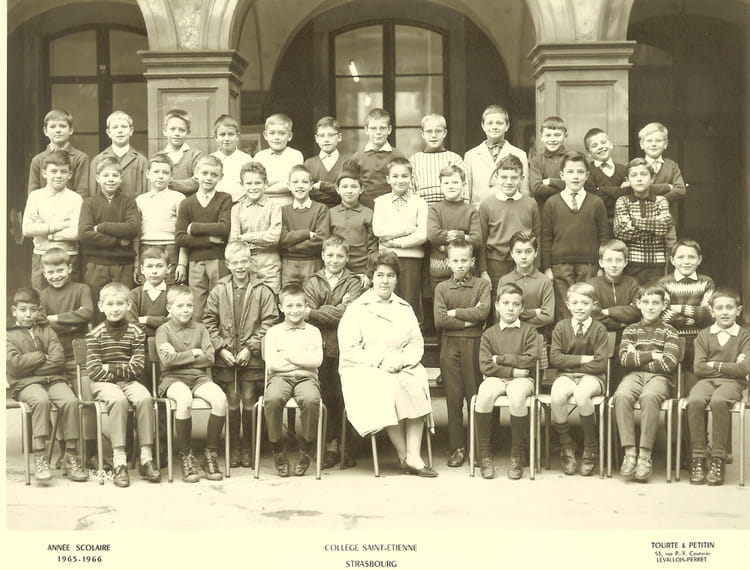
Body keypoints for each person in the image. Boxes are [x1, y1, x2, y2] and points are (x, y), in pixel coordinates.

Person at [338, 251, 437, 477]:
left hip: (400, 364)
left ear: (397, 279)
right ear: (371, 277)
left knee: (414, 384)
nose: (385, 281)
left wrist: (403, 361)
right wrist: (380, 361)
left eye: (390, 276)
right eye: (380, 275)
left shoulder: (404, 308)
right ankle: (403, 454)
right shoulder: (357, 308)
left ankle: (413, 455)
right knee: (389, 388)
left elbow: (416, 343)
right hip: (365, 368)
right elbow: (350, 349)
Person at [203, 241, 279, 468]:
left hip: (251, 357)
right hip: (226, 358)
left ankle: (249, 446)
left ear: (250, 262)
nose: (240, 266)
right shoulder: (219, 290)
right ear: (227, 264)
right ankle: (234, 446)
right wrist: (220, 348)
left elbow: (270, 321)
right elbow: (208, 321)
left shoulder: (262, 290)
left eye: (244, 261)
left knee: (248, 397)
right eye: (235, 262)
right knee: (232, 398)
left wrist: (250, 347)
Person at [7, 287, 88, 484]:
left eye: (33, 309)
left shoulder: (47, 330)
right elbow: (14, 366)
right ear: (14, 311)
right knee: (41, 400)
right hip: (25, 385)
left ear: (39, 310)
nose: (28, 314)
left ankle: (70, 456)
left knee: (71, 401)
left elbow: (58, 359)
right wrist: (40, 356)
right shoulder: (8, 335)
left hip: (53, 379)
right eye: (23, 309)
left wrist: (32, 367)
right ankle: (40, 457)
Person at [86, 282, 159, 487]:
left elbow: (137, 367)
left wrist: (110, 367)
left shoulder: (136, 332)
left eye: (120, 304)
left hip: (129, 381)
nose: (115, 308)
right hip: (102, 384)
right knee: (118, 400)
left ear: (128, 305)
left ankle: (146, 458)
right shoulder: (95, 334)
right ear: (101, 306)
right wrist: (121, 368)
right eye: (110, 304)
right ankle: (120, 462)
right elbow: (94, 370)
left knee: (145, 398)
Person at [155, 286, 229, 483]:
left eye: (189, 305)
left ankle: (210, 453)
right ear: (169, 308)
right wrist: (193, 353)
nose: (186, 310)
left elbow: (210, 358)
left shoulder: (201, 329)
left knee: (220, 400)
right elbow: (167, 362)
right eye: (180, 306)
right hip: (173, 378)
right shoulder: (163, 330)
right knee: (184, 400)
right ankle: (186, 456)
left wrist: (178, 356)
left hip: (199, 378)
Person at [302, 234, 364, 468]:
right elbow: (306, 313)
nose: (334, 260)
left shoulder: (354, 282)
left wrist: (317, 311)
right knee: (327, 396)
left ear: (347, 258)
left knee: (345, 396)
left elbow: (349, 313)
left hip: (345, 348)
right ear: (322, 256)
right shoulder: (312, 281)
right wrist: (335, 308)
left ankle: (347, 445)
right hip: (320, 347)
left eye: (339, 256)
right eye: (330, 255)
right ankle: (330, 445)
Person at [613, 284, 679, 482]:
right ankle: (629, 453)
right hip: (633, 376)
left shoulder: (670, 331)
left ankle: (645, 456)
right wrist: (652, 355)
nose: (650, 307)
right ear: (638, 304)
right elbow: (624, 360)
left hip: (659, 378)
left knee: (649, 397)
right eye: (646, 302)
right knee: (621, 395)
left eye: (655, 303)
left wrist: (638, 356)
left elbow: (668, 363)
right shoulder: (630, 330)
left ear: (663, 305)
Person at [433, 239, 491, 467]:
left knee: (474, 396)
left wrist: (455, 313)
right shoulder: (441, 288)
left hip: (474, 346)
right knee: (454, 398)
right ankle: (457, 447)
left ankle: (478, 448)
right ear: (448, 262)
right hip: (449, 346)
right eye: (455, 260)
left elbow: (483, 313)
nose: (460, 265)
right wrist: (469, 321)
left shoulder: (481, 286)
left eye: (464, 260)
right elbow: (440, 319)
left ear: (472, 261)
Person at [38, 247, 96, 468]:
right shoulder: (43, 295)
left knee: (87, 397)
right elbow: (41, 322)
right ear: (44, 273)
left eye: (60, 270)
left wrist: (55, 318)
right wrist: (72, 323)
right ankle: (65, 450)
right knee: (59, 402)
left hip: (79, 349)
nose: (56, 276)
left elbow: (87, 313)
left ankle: (90, 451)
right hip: (54, 352)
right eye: (51, 272)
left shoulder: (81, 289)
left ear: (69, 268)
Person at [686, 288, 750, 486]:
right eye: (719, 308)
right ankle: (698, 456)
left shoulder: (745, 336)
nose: (724, 312)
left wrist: (714, 364)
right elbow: (699, 368)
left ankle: (718, 458)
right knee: (695, 400)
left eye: (729, 308)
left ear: (738, 311)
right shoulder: (704, 335)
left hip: (733, 384)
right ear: (712, 311)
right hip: (705, 382)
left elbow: (744, 369)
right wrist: (731, 367)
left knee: (719, 400)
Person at [474, 283, 538, 480]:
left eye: (516, 304)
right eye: (506, 303)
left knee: (517, 396)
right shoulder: (489, 334)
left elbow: (529, 359)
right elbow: (485, 365)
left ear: (522, 308)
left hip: (523, 379)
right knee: (484, 394)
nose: (510, 308)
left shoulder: (529, 331)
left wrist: (500, 359)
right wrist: (512, 370)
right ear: (497, 305)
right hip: (498, 377)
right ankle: (484, 455)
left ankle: (517, 455)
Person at [549, 282, 609, 476]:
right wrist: (583, 359)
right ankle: (566, 445)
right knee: (557, 395)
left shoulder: (599, 329)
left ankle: (590, 447)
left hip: (593, 377)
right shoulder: (561, 327)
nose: (580, 307)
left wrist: (569, 362)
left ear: (594, 305)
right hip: (566, 375)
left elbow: (600, 363)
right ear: (568, 305)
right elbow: (555, 358)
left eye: (585, 303)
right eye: (575, 303)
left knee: (582, 395)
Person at [263, 285, 324, 477]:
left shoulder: (313, 332)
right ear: (281, 307)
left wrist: (288, 356)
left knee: (311, 399)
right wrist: (302, 361)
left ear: (306, 306)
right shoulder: (273, 332)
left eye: (299, 305)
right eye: (289, 306)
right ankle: (277, 449)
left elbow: (317, 361)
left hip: (307, 378)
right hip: (279, 377)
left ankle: (306, 449)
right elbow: (272, 363)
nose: (295, 310)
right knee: (272, 398)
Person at [541, 150, 608, 322]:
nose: (575, 176)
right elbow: (546, 237)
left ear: (587, 175)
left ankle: (586, 338)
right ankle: (565, 338)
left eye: (580, 172)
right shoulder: (552, 203)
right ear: (562, 175)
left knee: (586, 305)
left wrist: (602, 265)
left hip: (589, 264)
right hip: (560, 265)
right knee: (565, 308)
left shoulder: (596, 202)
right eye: (570, 172)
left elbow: (603, 237)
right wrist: (547, 268)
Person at [78, 156, 140, 318]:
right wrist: (117, 241)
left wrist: (102, 227)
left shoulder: (129, 202)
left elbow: (132, 228)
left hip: (123, 264)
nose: (110, 179)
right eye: (105, 175)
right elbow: (84, 234)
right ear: (98, 178)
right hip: (96, 264)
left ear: (121, 178)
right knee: (99, 308)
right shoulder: (89, 203)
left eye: (114, 175)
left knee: (123, 307)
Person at [175, 155, 233, 321]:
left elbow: (223, 228)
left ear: (221, 177)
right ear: (196, 173)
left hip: (218, 260)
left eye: (214, 175)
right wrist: (209, 240)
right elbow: (180, 238)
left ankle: (219, 337)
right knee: (197, 306)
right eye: (205, 173)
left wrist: (194, 227)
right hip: (195, 261)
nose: (209, 178)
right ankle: (199, 336)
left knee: (220, 302)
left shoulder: (224, 198)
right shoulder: (187, 203)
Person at [478, 155, 540, 308]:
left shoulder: (530, 204)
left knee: (524, 302)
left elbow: (537, 236)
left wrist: (537, 267)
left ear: (521, 178)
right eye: (504, 177)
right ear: (497, 177)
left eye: (514, 177)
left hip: (524, 262)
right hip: (496, 264)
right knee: (500, 304)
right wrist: (483, 271)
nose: (509, 181)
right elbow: (481, 241)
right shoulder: (487, 205)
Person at [372, 157, 428, 323]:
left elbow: (422, 235)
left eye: (404, 176)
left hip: (412, 259)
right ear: (388, 179)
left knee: (409, 301)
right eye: (395, 176)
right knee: (386, 297)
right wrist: (408, 229)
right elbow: (379, 230)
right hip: (386, 258)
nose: (400, 180)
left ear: (411, 178)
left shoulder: (420, 203)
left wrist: (396, 243)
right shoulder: (380, 202)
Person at [23, 150, 83, 290]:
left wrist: (45, 231)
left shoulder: (76, 199)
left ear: (70, 174)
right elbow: (27, 229)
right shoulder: (35, 196)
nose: (58, 176)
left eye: (63, 171)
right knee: (41, 296)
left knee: (69, 297)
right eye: (53, 171)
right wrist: (62, 225)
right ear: (44, 173)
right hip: (41, 254)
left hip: (68, 255)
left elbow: (77, 232)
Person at [658, 239, 715, 378]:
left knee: (696, 376)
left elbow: (709, 314)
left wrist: (679, 308)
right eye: (681, 257)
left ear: (699, 260)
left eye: (691, 257)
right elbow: (663, 315)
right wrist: (695, 316)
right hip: (672, 338)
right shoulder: (664, 283)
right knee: (672, 377)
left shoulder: (706, 282)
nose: (686, 261)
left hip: (699, 338)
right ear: (672, 260)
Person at [499, 231, 555, 368]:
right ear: (511, 253)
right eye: (518, 252)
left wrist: (517, 317)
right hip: (509, 339)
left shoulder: (544, 281)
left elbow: (548, 316)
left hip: (536, 340)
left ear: (536, 253)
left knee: (535, 378)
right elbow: (501, 314)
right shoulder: (505, 280)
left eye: (528, 251)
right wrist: (535, 311)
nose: (523, 256)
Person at [614, 158, 672, 285]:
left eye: (644, 174)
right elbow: (621, 232)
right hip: (631, 262)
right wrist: (653, 229)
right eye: (634, 175)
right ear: (628, 180)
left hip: (657, 263)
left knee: (653, 294)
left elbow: (664, 226)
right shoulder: (623, 201)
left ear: (652, 178)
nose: (639, 179)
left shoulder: (660, 201)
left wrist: (634, 222)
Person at [229, 161, 283, 294]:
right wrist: (261, 238)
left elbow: (274, 237)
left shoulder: (274, 206)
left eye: (258, 183)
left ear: (266, 184)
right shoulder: (236, 209)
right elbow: (235, 240)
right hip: (246, 264)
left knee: (271, 298)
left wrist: (247, 237)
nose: (253, 187)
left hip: (270, 263)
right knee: (249, 299)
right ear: (242, 185)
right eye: (249, 183)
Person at [135, 154, 188, 286]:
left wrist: (182, 263)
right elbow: (135, 234)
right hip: (146, 246)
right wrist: (136, 263)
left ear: (172, 176)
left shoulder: (178, 198)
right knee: (148, 287)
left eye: (165, 172)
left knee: (170, 288)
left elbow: (184, 232)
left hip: (170, 247)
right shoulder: (140, 200)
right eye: (156, 172)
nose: (160, 176)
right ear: (148, 174)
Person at [426, 165, 481, 292]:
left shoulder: (471, 211)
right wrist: (465, 237)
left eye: (455, 182)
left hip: (467, 274)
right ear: (440, 186)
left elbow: (477, 240)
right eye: (446, 183)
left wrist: (448, 241)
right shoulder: (435, 209)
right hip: (440, 273)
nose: (451, 186)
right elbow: (433, 235)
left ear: (464, 184)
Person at [464, 104, 529, 206]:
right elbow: (466, 192)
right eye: (489, 123)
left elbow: (524, 191)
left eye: (499, 123)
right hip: (479, 211)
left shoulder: (520, 154)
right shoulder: (471, 155)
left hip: (509, 211)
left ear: (507, 126)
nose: (494, 127)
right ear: (483, 126)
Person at [278, 164, 331, 287]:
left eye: (305, 182)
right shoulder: (283, 211)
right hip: (288, 264)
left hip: (313, 263)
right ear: (288, 185)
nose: (300, 185)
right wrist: (306, 234)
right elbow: (281, 238)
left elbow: (321, 239)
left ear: (311, 186)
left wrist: (291, 247)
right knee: (288, 296)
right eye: (295, 182)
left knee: (312, 294)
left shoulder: (321, 209)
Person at [638, 122, 686, 252]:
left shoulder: (671, 166)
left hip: (666, 221)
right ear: (642, 144)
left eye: (658, 140)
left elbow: (680, 190)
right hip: (641, 219)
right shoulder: (636, 166)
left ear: (665, 144)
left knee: (667, 254)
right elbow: (633, 189)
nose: (653, 144)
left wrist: (657, 198)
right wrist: (666, 187)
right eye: (649, 140)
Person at [329, 160, 378, 286]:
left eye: (354, 186)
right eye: (345, 187)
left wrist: (368, 273)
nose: (349, 191)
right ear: (337, 189)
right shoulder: (330, 214)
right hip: (336, 271)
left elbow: (373, 248)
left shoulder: (368, 214)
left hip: (361, 273)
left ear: (361, 189)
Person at [27, 109, 89, 198]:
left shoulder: (80, 158)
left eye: (62, 126)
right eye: (52, 127)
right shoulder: (38, 160)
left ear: (71, 130)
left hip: (72, 205)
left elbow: (82, 192)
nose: (58, 130)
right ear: (45, 131)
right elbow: (33, 193)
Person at [351, 108, 406, 209]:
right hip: (365, 208)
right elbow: (352, 187)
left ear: (389, 130)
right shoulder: (357, 158)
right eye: (373, 128)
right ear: (366, 130)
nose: (378, 132)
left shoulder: (397, 156)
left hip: (392, 208)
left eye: (382, 128)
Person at [89, 110, 148, 199]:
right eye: (115, 127)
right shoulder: (98, 161)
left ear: (131, 131)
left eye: (124, 127)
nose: (120, 131)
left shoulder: (141, 161)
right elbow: (93, 195)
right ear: (108, 133)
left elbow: (145, 195)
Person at [409, 113, 465, 205]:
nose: (434, 135)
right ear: (423, 134)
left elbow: (464, 191)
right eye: (429, 131)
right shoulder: (414, 160)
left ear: (445, 133)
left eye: (438, 131)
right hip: (423, 209)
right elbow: (410, 192)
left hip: (451, 209)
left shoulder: (455, 159)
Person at [587, 239, 641, 334]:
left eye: (619, 260)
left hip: (629, 335)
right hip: (600, 335)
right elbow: (594, 314)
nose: (614, 265)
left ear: (625, 262)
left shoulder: (632, 283)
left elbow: (638, 309)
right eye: (609, 260)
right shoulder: (592, 285)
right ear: (601, 263)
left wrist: (608, 311)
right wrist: (619, 325)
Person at [583, 128, 628, 234]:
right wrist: (620, 191)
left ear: (611, 144)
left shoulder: (624, 170)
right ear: (588, 153)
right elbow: (596, 199)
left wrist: (603, 189)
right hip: (597, 226)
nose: (600, 147)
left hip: (624, 224)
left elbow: (630, 195)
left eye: (603, 142)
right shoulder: (587, 173)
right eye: (594, 146)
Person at [253, 113, 304, 207]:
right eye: (272, 133)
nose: (276, 137)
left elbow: (291, 183)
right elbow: (255, 181)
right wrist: (279, 180)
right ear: (265, 135)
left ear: (289, 136)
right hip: (263, 204)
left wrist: (265, 186)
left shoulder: (295, 155)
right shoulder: (259, 156)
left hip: (287, 204)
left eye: (282, 133)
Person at [305, 116, 349, 208]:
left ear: (339, 137)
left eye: (331, 135)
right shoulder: (309, 164)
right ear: (316, 139)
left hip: (342, 211)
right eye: (321, 136)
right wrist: (336, 195)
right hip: (316, 211)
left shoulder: (348, 163)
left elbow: (348, 190)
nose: (326, 139)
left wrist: (322, 185)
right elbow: (308, 191)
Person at [529, 116, 568, 215]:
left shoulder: (571, 158)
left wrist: (550, 181)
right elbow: (536, 189)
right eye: (548, 135)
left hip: (568, 210)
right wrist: (564, 186)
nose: (552, 139)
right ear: (541, 137)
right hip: (545, 211)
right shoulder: (536, 161)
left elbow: (578, 185)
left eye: (557, 135)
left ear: (565, 136)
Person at [210, 114, 253, 203]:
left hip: (241, 203)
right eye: (222, 135)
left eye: (231, 134)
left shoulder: (246, 159)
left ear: (237, 136)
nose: (227, 138)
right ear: (216, 137)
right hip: (216, 205)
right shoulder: (211, 159)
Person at [161, 109, 202, 195]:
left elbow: (197, 181)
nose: (177, 133)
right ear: (165, 131)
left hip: (190, 201)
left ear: (188, 132)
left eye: (182, 130)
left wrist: (168, 182)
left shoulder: (195, 155)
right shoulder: (159, 157)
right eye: (172, 129)